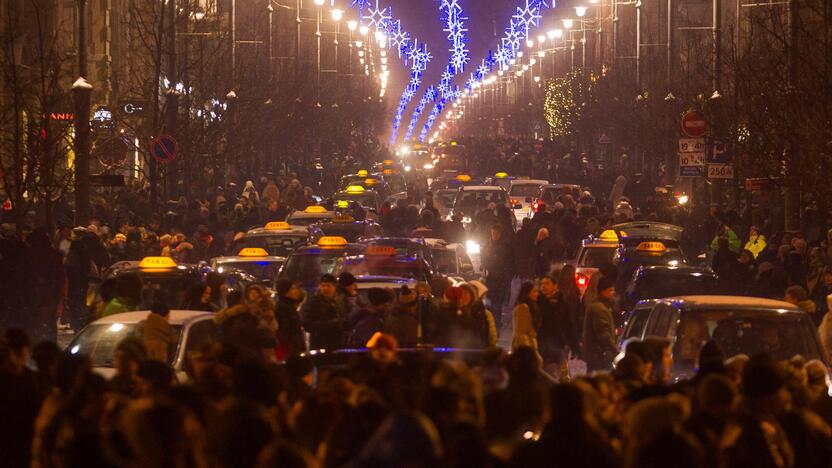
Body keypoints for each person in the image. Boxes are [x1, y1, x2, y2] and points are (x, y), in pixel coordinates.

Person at [481, 224, 515, 334]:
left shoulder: (505, 246)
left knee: (497, 303)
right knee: (491, 303)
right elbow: (484, 258)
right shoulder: (487, 245)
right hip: (491, 278)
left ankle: (497, 324)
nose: (494, 235)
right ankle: (494, 324)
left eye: (496, 233)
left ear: (500, 234)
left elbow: (510, 261)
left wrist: (507, 276)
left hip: (501, 279)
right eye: (493, 233)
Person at [582, 277, 619, 372]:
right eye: (610, 290)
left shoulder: (602, 306)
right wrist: (615, 351)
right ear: (603, 292)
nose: (613, 293)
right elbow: (603, 334)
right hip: (599, 355)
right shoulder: (599, 308)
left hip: (598, 355)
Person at [301, 274, 347, 350]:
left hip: (337, 345)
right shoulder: (313, 303)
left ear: (334, 287)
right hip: (319, 345)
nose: (325, 288)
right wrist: (330, 324)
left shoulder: (338, 302)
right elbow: (307, 325)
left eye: (328, 286)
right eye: (323, 286)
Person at [274, 279, 306, 360]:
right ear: (285, 291)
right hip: (290, 352)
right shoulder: (282, 308)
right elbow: (284, 332)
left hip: (295, 349)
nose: (296, 291)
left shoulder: (290, 306)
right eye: (292, 288)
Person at [511, 282, 541, 353]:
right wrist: (526, 352)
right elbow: (520, 333)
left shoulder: (533, 307)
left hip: (530, 345)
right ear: (527, 293)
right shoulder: (523, 307)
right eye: (534, 291)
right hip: (524, 348)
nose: (537, 294)